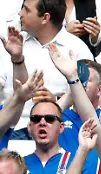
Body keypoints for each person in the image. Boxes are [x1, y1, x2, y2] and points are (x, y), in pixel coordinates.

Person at [4, 0, 91, 131]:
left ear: (45, 18)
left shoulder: (77, 50)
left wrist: (56, 102)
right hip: (11, 130)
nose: (20, 13)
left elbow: (90, 97)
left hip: (59, 131)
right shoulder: (10, 44)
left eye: (26, 10)